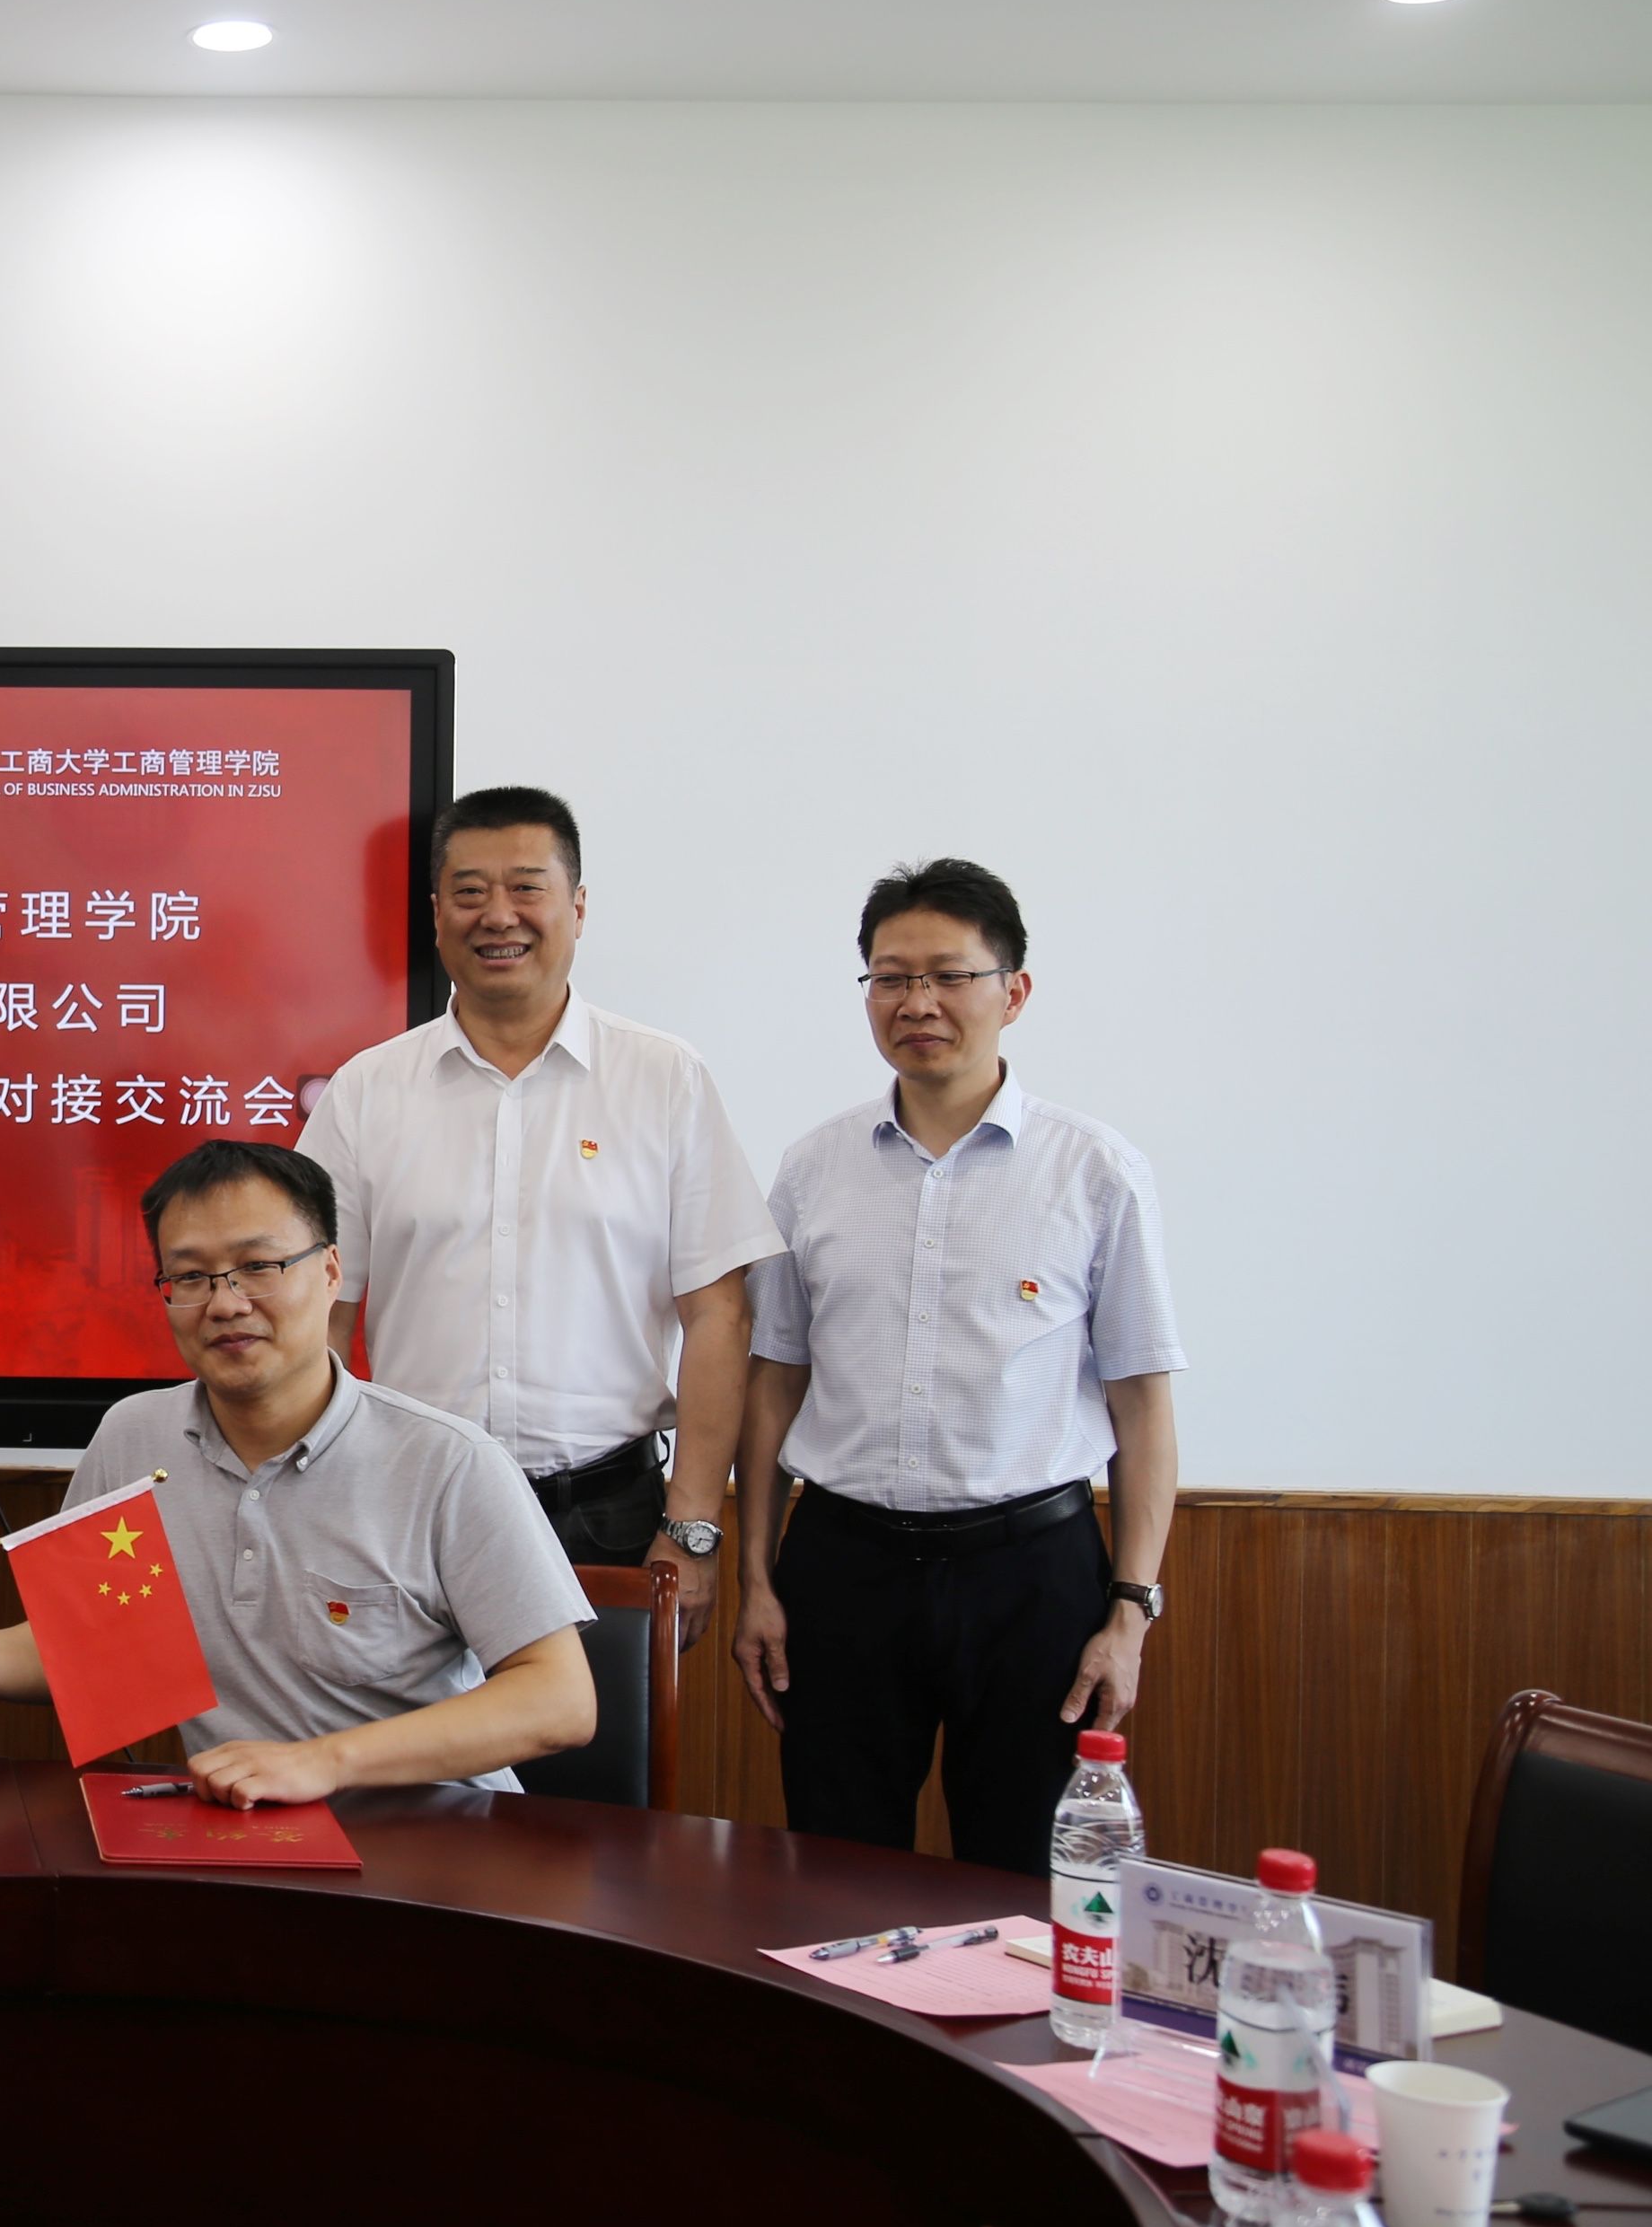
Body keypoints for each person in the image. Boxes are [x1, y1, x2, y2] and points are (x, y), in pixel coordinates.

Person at [729, 859, 1183, 1873]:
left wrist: (1130, 1611)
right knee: (835, 1877)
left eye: (948, 976)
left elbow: (1143, 1406)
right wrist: (756, 1579)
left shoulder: (1095, 1170)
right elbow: (774, 1380)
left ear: (1013, 992)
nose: (917, 1003)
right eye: (891, 978)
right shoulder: (814, 1168)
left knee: (1022, 1880)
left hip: (1033, 1578)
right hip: (843, 1569)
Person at [0, 1140, 595, 1804]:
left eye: (258, 1266)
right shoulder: (132, 1437)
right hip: (247, 1833)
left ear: (332, 1272)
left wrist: (326, 1762)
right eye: (190, 1277)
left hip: (437, 1836)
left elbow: (561, 1699)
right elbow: (84, 1641)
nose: (225, 1304)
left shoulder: (448, 1462)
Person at [297, 784, 779, 1621]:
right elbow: (320, 1313)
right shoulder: (368, 1090)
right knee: (416, 1718)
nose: (499, 916)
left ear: (578, 907)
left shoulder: (663, 1078)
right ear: (437, 913)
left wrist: (694, 1525)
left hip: (609, 1513)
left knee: (601, 1712)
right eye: (469, 892)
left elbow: (719, 1316)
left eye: (527, 888)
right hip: (410, 1505)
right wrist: (318, 1490)